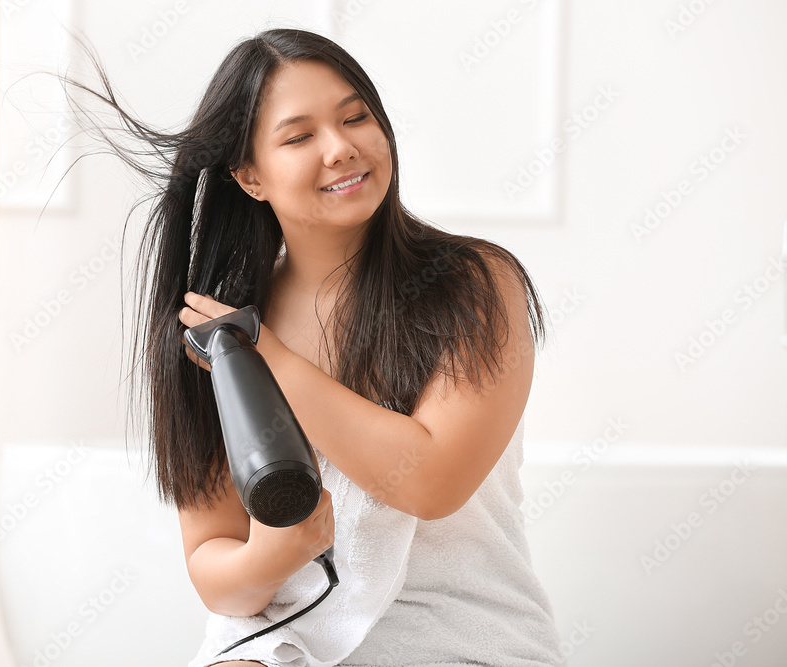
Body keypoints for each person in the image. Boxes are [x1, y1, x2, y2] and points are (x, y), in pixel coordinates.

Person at [59, 26, 565, 667]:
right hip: (279, 637)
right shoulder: (216, 328)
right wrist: (270, 556)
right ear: (250, 176)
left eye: (356, 118)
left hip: (456, 634)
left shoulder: (473, 285)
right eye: (299, 137)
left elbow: (431, 483)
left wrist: (264, 356)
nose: (341, 148)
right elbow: (216, 570)